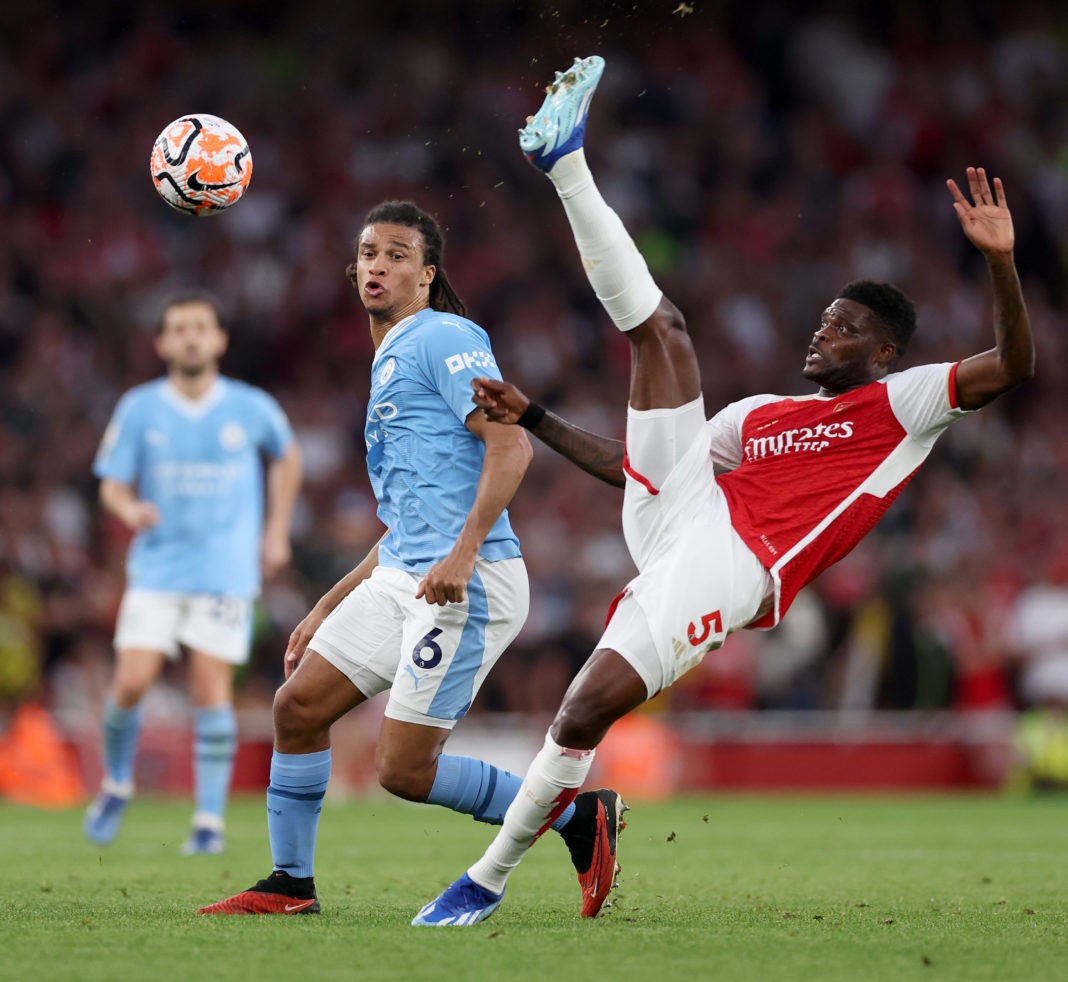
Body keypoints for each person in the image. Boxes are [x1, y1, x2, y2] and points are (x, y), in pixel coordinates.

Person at [413, 54, 1035, 925]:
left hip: (738, 562)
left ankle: (490, 874)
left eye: (846, 328)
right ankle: (566, 162)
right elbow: (642, 470)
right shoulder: (761, 413)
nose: (823, 333)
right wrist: (540, 417)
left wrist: (1001, 266)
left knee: (585, 708)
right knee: (662, 331)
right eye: (823, 318)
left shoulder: (907, 402)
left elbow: (1013, 365)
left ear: (883, 352)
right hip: (687, 515)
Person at [197, 201, 624, 918]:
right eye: (368, 253)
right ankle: (290, 884)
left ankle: (578, 818)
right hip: (405, 574)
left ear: (427, 275)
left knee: (402, 770)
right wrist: (326, 605)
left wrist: (463, 555)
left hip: (469, 581)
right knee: (297, 708)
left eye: (397, 255)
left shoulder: (444, 336)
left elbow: (511, 443)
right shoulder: (390, 356)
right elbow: (408, 522)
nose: (378, 265)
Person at [85, 291, 302, 854]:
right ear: (161, 343)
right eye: (178, 328)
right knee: (131, 681)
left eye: (200, 327)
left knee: (211, 694)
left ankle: (208, 821)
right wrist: (128, 508)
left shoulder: (249, 406)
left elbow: (288, 454)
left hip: (224, 572)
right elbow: (110, 481)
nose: (190, 337)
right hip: (157, 568)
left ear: (220, 340)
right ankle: (115, 783)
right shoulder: (139, 407)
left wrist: (276, 529)